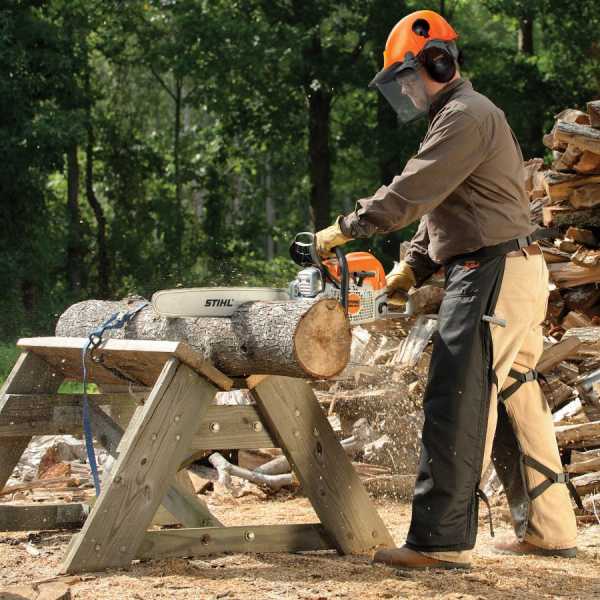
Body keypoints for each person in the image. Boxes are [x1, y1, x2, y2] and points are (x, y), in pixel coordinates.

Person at [315, 9, 579, 571]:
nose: (406, 91)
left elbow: (412, 191)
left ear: (435, 62)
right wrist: (410, 268)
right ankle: (550, 528)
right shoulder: (462, 116)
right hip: (510, 269)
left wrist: (345, 227)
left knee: (456, 396)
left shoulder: (464, 115)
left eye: (406, 77)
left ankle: (439, 542)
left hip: (492, 272)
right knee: (512, 397)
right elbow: (442, 205)